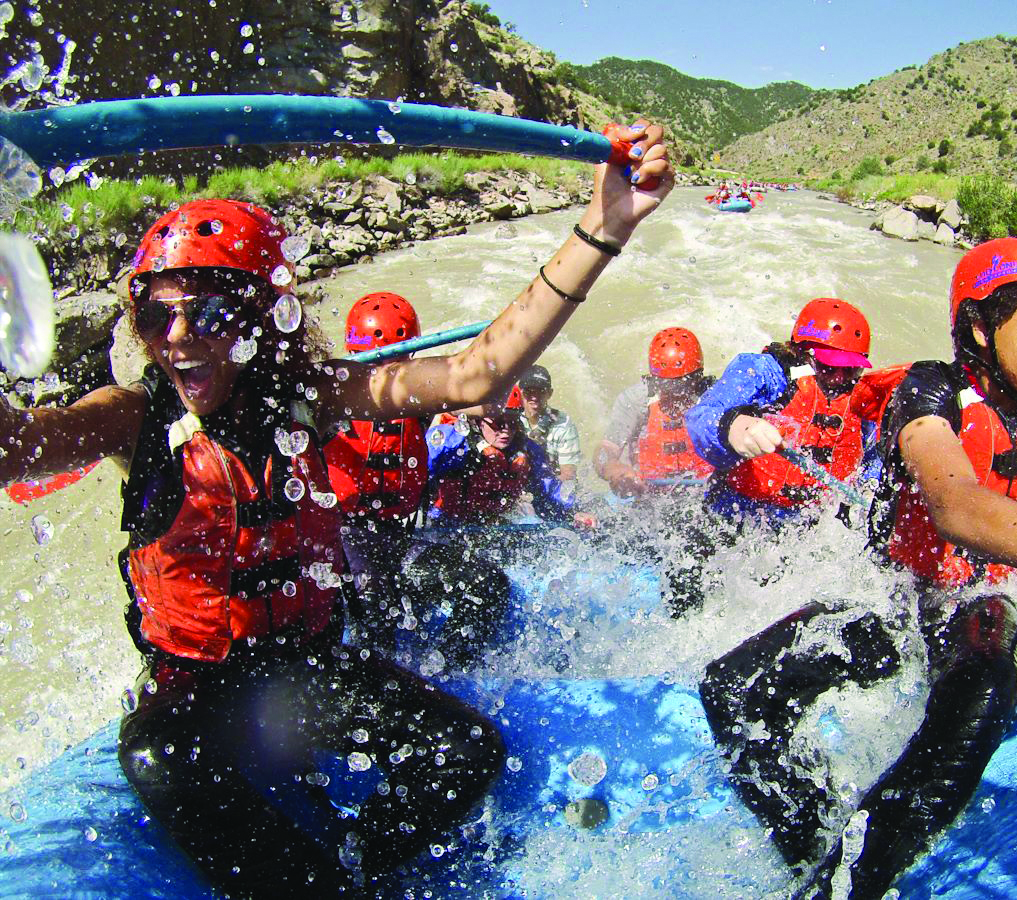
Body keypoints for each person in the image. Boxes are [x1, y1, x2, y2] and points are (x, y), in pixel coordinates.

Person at [0, 120, 671, 896]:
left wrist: (607, 224)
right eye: (157, 317)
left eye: (210, 315)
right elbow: (19, 449)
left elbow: (476, 374)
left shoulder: (309, 395)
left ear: (259, 318)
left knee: (468, 752)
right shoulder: (132, 415)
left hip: (302, 669)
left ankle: (354, 864)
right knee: (152, 754)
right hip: (192, 690)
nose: (179, 338)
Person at [700, 237, 1017, 899]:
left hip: (970, 607)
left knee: (991, 670)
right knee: (728, 689)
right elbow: (956, 505)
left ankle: (865, 879)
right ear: (979, 326)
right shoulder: (928, 392)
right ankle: (812, 838)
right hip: (893, 599)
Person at [325, 291, 512, 669]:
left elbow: (481, 397)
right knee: (375, 601)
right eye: (379, 363)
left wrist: (494, 378)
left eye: (398, 363)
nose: (387, 375)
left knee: (487, 584)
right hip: (344, 542)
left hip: (398, 538)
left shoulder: (416, 400)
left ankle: (449, 670)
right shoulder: (326, 401)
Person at [686, 297, 875, 527]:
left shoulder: (865, 401)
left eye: (850, 370)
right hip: (736, 512)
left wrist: (870, 489)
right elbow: (702, 416)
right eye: (828, 367)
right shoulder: (766, 373)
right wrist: (732, 426)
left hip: (812, 525)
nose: (838, 378)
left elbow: (874, 460)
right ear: (800, 352)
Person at [427, 385, 591, 527]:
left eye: (512, 422)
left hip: (492, 526)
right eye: (498, 422)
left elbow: (548, 492)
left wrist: (573, 514)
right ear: (478, 421)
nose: (506, 430)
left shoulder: (528, 451)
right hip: (444, 525)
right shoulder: (451, 441)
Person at [593, 327, 713, 498]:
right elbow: (606, 449)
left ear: (698, 376)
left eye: (683, 384)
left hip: (704, 493)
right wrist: (615, 470)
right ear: (654, 379)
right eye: (667, 385)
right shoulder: (636, 400)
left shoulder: (714, 398)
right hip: (649, 495)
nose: (676, 393)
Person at [518, 364, 582, 492]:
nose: (534, 397)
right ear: (520, 392)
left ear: (550, 393)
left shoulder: (564, 425)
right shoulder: (509, 419)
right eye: (529, 391)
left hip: (548, 488)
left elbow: (568, 475)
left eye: (541, 391)